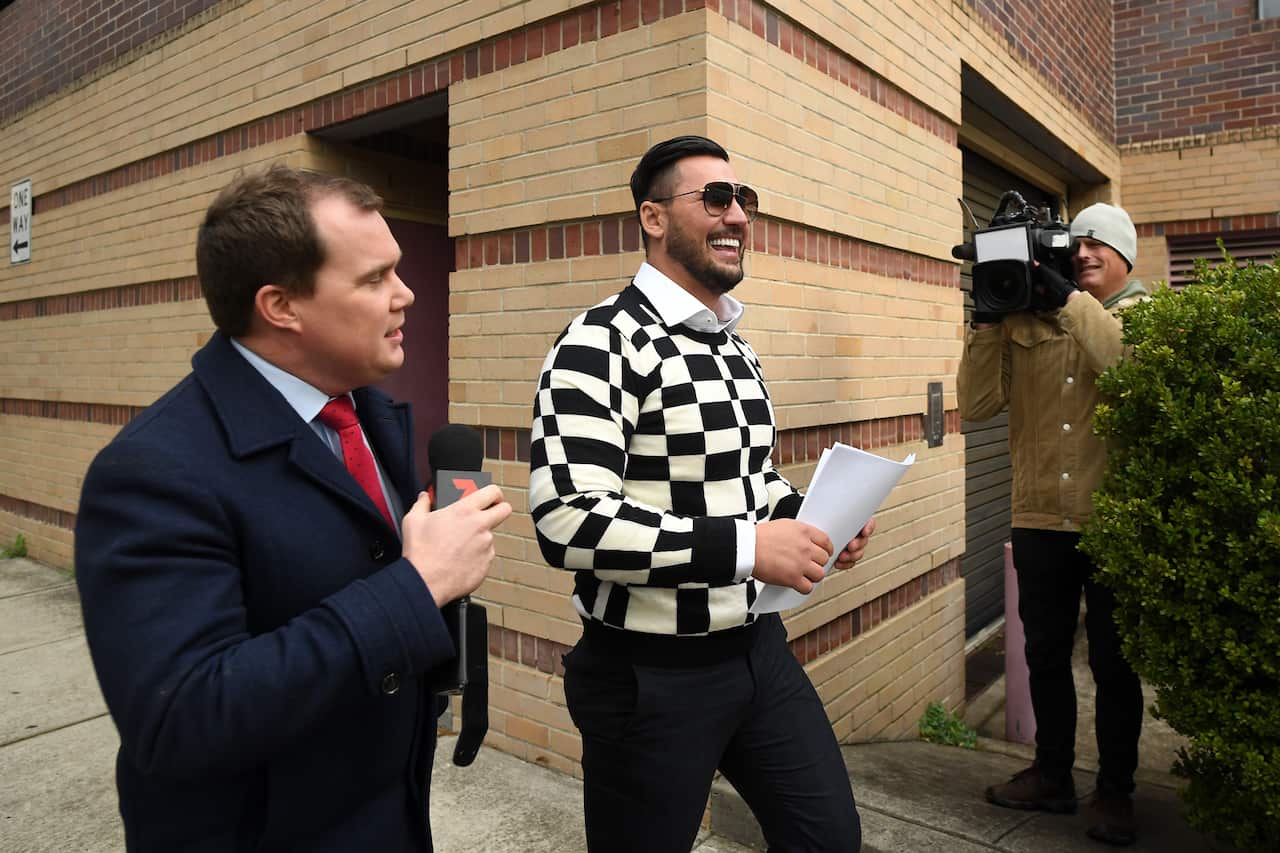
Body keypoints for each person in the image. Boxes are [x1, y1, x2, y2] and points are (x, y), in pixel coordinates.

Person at [74, 164, 512, 852]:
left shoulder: (367, 414)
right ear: (281, 306)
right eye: (375, 278)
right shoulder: (152, 472)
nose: (406, 294)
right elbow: (182, 719)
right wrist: (418, 584)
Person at [528, 135, 875, 853]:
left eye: (744, 200)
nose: (738, 216)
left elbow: (749, 478)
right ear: (653, 218)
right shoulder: (600, 340)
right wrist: (752, 548)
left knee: (830, 839)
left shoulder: (734, 346)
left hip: (758, 653)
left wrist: (810, 521)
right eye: (715, 198)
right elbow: (568, 519)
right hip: (647, 676)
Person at [957, 202, 1149, 846]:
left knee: (1115, 665)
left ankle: (1116, 793)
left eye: (1100, 244)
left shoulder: (1143, 316)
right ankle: (1052, 774)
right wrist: (988, 322)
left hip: (1113, 519)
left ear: (1125, 257)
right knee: (1043, 654)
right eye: (1077, 244)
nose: (1085, 253)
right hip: (1039, 515)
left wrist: (1066, 298)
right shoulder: (1025, 320)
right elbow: (977, 404)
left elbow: (1129, 368)